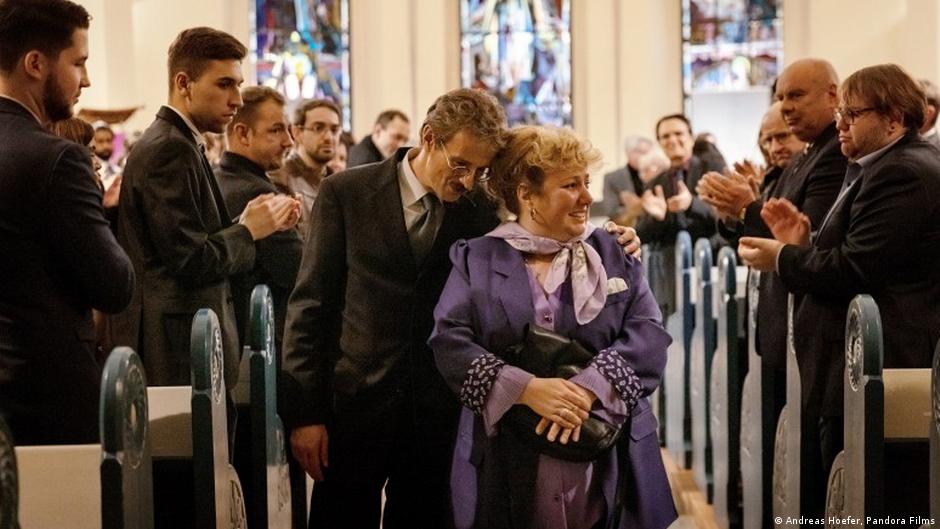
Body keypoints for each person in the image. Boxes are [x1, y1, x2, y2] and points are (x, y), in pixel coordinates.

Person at [281, 88, 641, 529]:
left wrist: (612, 242)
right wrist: (306, 414)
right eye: (461, 165)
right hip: (357, 403)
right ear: (429, 138)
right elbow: (312, 305)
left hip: (441, 410)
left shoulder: (478, 207)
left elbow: (542, 230)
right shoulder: (347, 191)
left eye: (480, 170)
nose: (468, 181)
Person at [430, 125, 676, 529]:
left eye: (586, 182)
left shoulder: (614, 250)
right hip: (509, 454)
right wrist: (526, 390)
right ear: (527, 195)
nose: (587, 198)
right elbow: (449, 340)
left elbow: (648, 332)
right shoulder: (477, 257)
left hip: (606, 450)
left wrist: (587, 388)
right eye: (570, 185)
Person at [739, 63, 940, 518]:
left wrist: (783, 257)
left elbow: (855, 267)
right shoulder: (879, 165)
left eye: (853, 113)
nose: (840, 122)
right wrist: (802, 245)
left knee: (876, 499)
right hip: (854, 361)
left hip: (882, 360)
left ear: (893, 118)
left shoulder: (903, 171)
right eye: (841, 112)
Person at [111, 27, 297, 388]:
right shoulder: (169, 148)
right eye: (225, 84)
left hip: (190, 345)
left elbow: (194, 239)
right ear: (185, 83)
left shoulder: (182, 142)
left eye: (238, 84)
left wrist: (247, 221)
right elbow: (190, 260)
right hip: (179, 353)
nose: (238, 99)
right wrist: (249, 231)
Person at [0, 0, 134, 445]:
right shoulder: (57, 157)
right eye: (79, 63)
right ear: (35, 64)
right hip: (46, 400)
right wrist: (105, 217)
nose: (87, 80)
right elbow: (112, 285)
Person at [216, 85, 302, 352]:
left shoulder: (218, 178)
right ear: (243, 133)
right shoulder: (257, 192)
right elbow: (300, 271)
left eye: (288, 129)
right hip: (261, 341)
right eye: (276, 130)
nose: (288, 141)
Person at [636, 113, 723, 316]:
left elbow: (725, 217)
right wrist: (659, 218)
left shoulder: (712, 169)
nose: (672, 140)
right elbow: (642, 233)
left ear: (691, 137)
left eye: (678, 133)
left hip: (709, 262)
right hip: (672, 274)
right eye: (665, 136)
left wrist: (691, 203)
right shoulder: (655, 183)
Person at [271, 98, 341, 237]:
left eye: (334, 129)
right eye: (318, 128)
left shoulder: (338, 180)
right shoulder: (280, 179)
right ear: (297, 132)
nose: (328, 137)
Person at [595, 135, 653, 224]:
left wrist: (637, 205)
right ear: (628, 152)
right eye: (639, 151)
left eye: (647, 152)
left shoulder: (659, 175)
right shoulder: (612, 178)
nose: (644, 156)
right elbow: (610, 210)